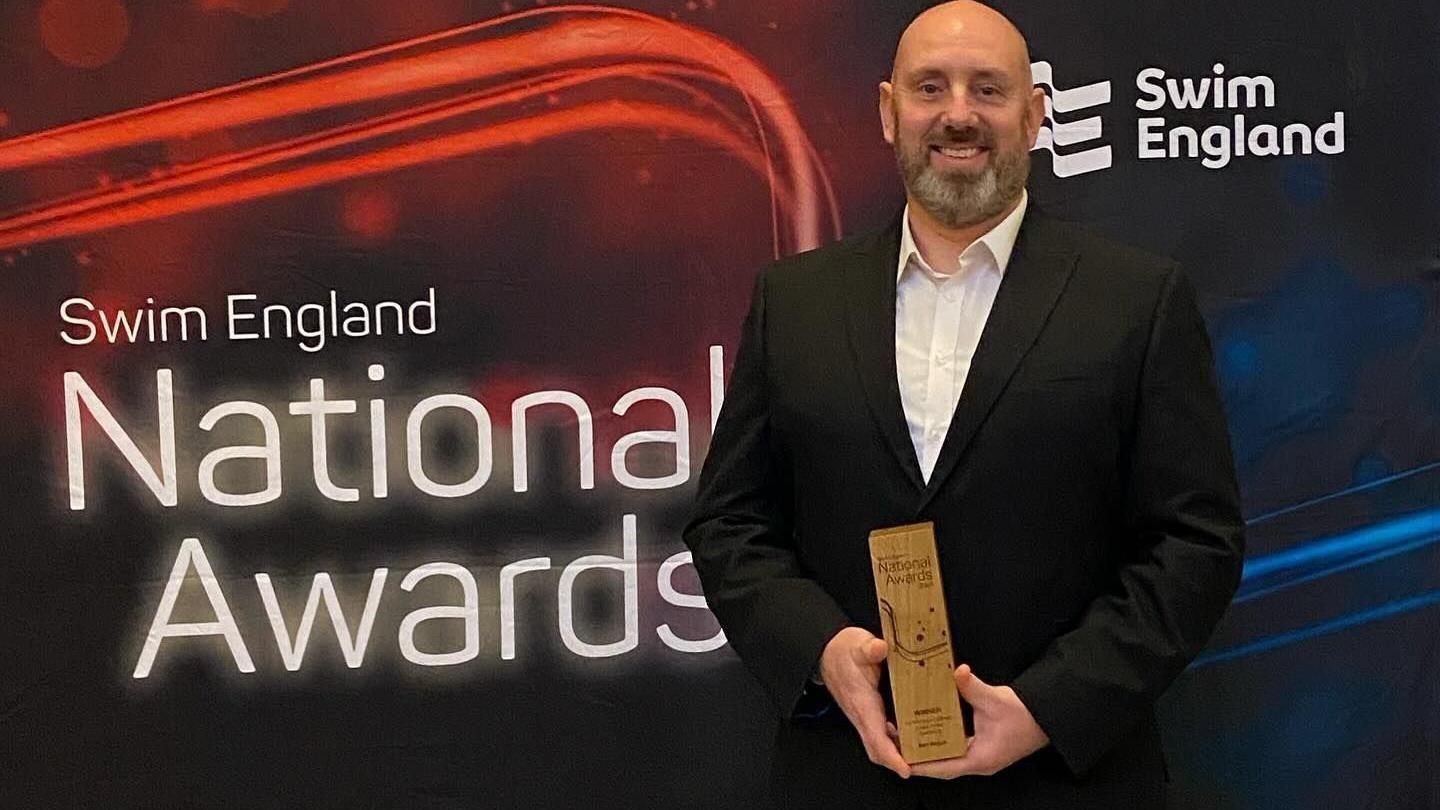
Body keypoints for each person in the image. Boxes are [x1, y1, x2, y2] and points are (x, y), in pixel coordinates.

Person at [683, 1, 1245, 807]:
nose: (957, 115)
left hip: (1067, 779)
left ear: (1035, 114)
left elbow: (1196, 542)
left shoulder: (1138, 300)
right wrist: (821, 649)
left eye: (989, 90)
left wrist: (1050, 706)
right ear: (887, 111)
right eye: (930, 88)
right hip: (848, 774)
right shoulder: (795, 301)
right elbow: (730, 523)